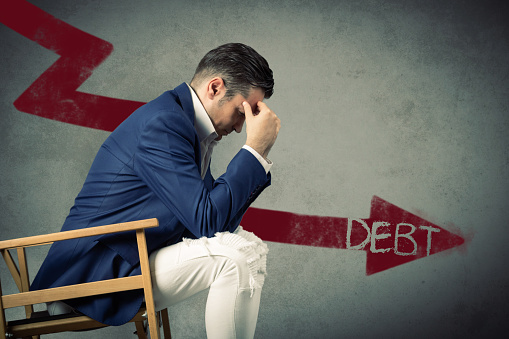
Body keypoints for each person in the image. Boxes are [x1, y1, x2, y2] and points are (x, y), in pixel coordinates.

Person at [30, 43, 280, 338]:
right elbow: (207, 220)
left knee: (248, 247)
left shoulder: (189, 126)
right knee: (235, 259)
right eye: (242, 112)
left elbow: (217, 224)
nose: (241, 128)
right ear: (215, 88)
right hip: (93, 271)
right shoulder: (165, 123)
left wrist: (257, 156)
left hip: (135, 253)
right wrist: (254, 150)